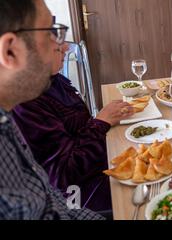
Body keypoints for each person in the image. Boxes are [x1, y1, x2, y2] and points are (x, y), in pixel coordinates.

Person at [0, 0, 102, 219]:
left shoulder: (7, 119)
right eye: (50, 32)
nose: (63, 45)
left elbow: (51, 201)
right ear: (10, 52)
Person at [12, 41, 134, 212]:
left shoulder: (53, 79)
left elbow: (79, 130)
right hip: (83, 196)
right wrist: (101, 122)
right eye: (53, 40)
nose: (66, 48)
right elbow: (63, 175)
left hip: (102, 162)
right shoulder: (26, 102)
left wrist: (102, 121)